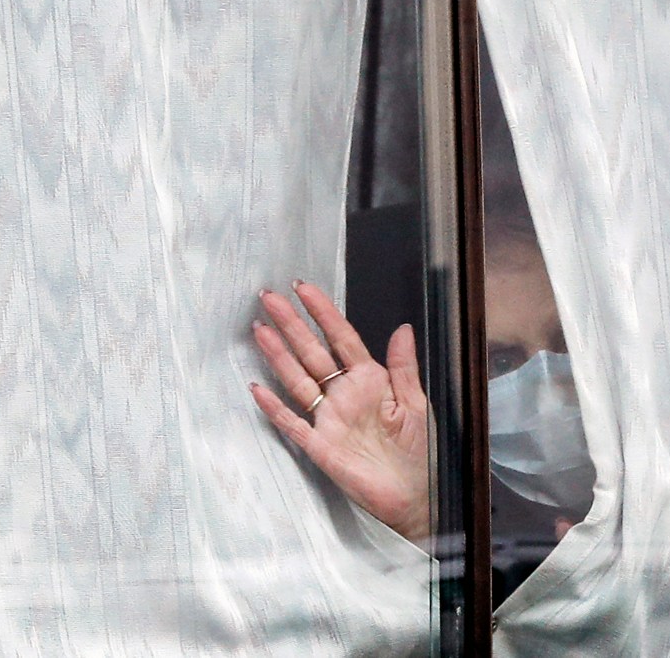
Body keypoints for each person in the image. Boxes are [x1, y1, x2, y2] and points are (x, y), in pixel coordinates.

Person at [246, 212, 595, 566]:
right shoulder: (473, 529)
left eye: (567, 344)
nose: (548, 386)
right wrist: (419, 527)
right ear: (449, 382)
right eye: (502, 363)